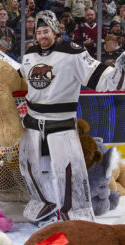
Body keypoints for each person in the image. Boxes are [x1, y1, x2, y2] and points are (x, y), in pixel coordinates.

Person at [19, 10, 125, 226]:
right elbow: (17, 78)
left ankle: (76, 214)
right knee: (27, 166)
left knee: (69, 171)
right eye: (38, 32)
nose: (42, 36)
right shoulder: (29, 56)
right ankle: (44, 204)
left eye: (46, 31)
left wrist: (119, 70)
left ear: (56, 31)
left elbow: (102, 78)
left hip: (61, 123)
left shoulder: (73, 52)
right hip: (32, 122)